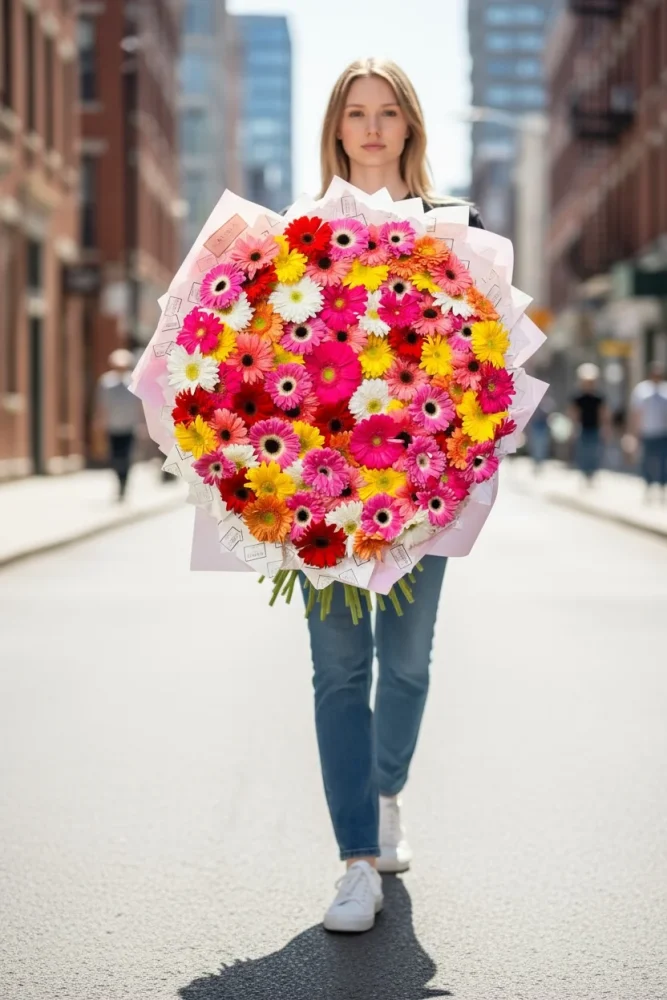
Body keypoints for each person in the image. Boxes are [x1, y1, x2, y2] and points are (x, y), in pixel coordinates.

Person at [301, 58, 483, 935]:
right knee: (339, 666)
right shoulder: (294, 233)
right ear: (336, 129)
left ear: (410, 125)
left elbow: (483, 360)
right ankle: (355, 861)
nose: (371, 129)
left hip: (424, 484)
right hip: (322, 492)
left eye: (387, 113)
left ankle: (386, 791)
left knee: (406, 661)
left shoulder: (458, 228)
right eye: (355, 113)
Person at [94, 348, 144, 501]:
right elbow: (101, 405)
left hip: (129, 426)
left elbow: (140, 405)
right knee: (115, 457)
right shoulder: (106, 383)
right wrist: (99, 425)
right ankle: (119, 480)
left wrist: (142, 425)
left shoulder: (133, 382)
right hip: (113, 426)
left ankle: (124, 482)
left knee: (127, 457)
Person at [629, 360, 667, 499]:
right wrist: (633, 433)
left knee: (664, 460)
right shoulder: (642, 390)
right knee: (647, 460)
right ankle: (648, 484)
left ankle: (663, 485)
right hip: (647, 432)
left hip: (663, 432)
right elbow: (636, 413)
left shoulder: (665, 390)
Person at [568, 363, 610, 484]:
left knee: (594, 452)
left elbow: (604, 413)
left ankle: (592, 473)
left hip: (595, 428)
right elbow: (573, 413)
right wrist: (573, 428)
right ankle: (585, 473)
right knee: (583, 452)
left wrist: (605, 428)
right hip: (582, 428)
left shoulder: (599, 397)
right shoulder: (578, 397)